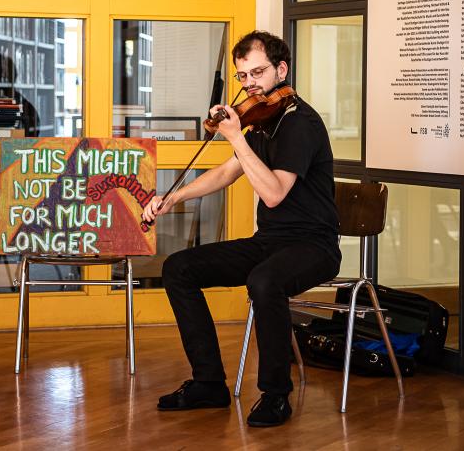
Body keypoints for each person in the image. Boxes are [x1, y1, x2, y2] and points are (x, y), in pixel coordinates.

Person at [141, 30, 340, 428]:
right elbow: (227, 172)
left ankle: (275, 394)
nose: (250, 84)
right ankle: (208, 382)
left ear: (281, 70)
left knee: (264, 281)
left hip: (314, 246)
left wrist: (236, 138)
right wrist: (172, 198)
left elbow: (274, 194)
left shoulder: (300, 123)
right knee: (178, 268)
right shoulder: (262, 121)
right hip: (270, 242)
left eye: (258, 73)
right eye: (243, 76)